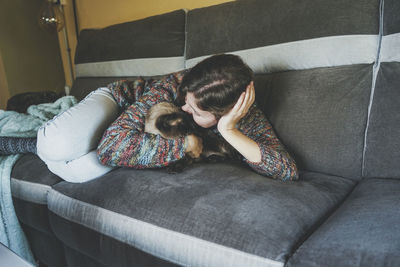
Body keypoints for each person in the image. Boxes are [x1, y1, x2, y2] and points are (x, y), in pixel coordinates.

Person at [37, 54, 299, 183]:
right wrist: (185, 145)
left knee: (78, 170)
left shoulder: (245, 117)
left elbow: (287, 171)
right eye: (186, 99)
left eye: (196, 111)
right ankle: (34, 139)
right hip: (118, 104)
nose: (184, 108)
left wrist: (230, 131)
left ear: (227, 112)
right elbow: (111, 148)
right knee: (52, 146)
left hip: (139, 135)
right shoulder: (174, 85)